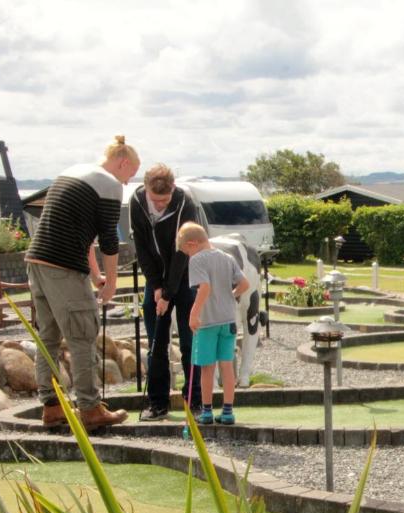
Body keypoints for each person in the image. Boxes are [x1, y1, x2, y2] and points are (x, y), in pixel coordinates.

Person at [26, 135, 139, 429]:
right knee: (82, 336)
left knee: (48, 338)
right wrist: (111, 282)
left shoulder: (73, 172)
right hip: (63, 267)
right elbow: (109, 239)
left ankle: (52, 408)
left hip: (37, 262)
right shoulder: (108, 183)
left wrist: (95, 275)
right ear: (122, 162)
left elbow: (84, 236)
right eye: (131, 174)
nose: (128, 182)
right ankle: (90, 409)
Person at [129, 164, 201, 420]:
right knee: (156, 342)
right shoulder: (137, 201)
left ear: (173, 189)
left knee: (189, 341)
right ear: (146, 189)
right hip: (156, 280)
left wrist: (168, 294)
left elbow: (183, 251)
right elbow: (141, 247)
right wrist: (157, 286)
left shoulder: (184, 203)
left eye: (165, 200)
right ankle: (157, 402)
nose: (160, 206)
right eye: (155, 200)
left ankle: (195, 401)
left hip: (186, 276)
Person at [177, 222, 250, 426]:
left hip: (207, 322)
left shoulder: (197, 260)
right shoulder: (227, 257)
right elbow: (244, 284)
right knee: (226, 366)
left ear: (192, 244)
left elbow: (205, 288)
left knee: (207, 368)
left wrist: (193, 314)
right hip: (229, 319)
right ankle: (227, 412)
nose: (188, 256)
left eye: (186, 251)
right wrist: (231, 295)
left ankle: (207, 411)